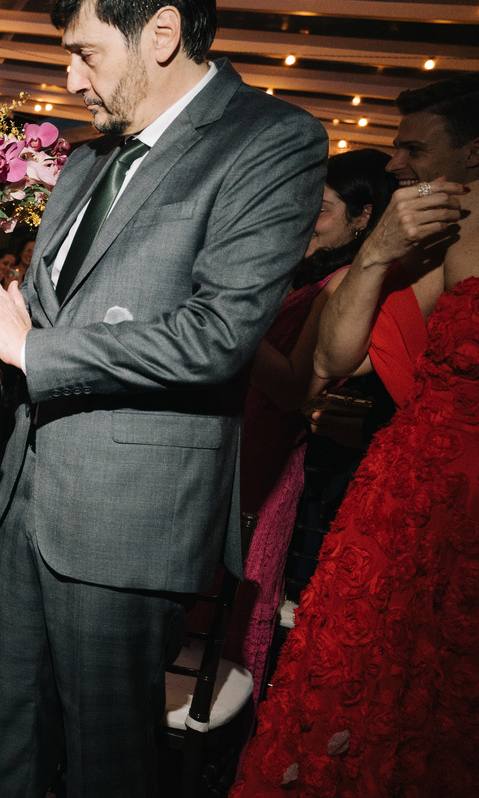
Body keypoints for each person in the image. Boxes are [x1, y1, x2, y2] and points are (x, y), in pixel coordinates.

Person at [0, 0, 328, 794]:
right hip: (26, 500)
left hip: (130, 517)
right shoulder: (86, 160)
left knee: (108, 767)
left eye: (87, 54)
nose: (70, 78)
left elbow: (216, 334)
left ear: (161, 34)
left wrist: (27, 352)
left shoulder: (272, 141)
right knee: (7, 746)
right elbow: (38, 311)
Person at [233, 73, 479, 798]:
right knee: (372, 679)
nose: (394, 161)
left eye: (415, 148)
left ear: (474, 152)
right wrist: (375, 254)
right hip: (413, 486)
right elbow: (336, 361)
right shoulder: (438, 235)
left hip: (454, 496)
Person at [231, 148, 396, 702]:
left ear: (363, 217)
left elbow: (292, 389)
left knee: (231, 613)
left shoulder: (346, 282)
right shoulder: (314, 273)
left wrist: (228, 326)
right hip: (247, 451)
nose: (308, 218)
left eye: (322, 208)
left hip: (268, 461)